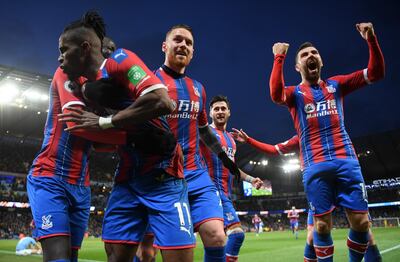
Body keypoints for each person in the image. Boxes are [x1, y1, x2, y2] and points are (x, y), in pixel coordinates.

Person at [58, 12, 194, 262]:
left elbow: (162, 101)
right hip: (127, 178)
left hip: (163, 175)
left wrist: (105, 122)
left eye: (64, 49)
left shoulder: (119, 60)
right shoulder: (85, 88)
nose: (60, 56)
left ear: (85, 48)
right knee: (116, 255)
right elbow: (104, 143)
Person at [269, 22, 384, 261]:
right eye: (304, 55)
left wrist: (371, 39)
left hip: (347, 160)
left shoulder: (337, 84)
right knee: (320, 227)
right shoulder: (294, 94)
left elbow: (376, 73)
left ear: (321, 62)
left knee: (362, 223)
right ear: (297, 65)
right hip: (315, 165)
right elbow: (275, 94)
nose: (310, 56)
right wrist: (278, 58)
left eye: (314, 53)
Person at [146, 24, 242, 262]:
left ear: (193, 52)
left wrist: (223, 158)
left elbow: (203, 131)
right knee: (146, 251)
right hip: (160, 176)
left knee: (217, 236)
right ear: (164, 46)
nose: (183, 45)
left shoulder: (198, 89)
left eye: (188, 43)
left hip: (196, 173)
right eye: (177, 40)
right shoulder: (149, 81)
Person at [231, 130, 382, 261]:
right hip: (320, 184)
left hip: (344, 177)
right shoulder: (302, 136)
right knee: (313, 234)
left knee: (365, 229)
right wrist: (249, 140)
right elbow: (274, 149)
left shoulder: (337, 129)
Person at [200, 95, 263, 261]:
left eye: (223, 109)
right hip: (207, 191)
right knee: (231, 236)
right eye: (216, 109)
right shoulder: (204, 133)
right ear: (210, 113)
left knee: (227, 238)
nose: (220, 111)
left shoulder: (231, 140)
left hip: (224, 194)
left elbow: (233, 169)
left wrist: (251, 179)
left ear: (229, 112)